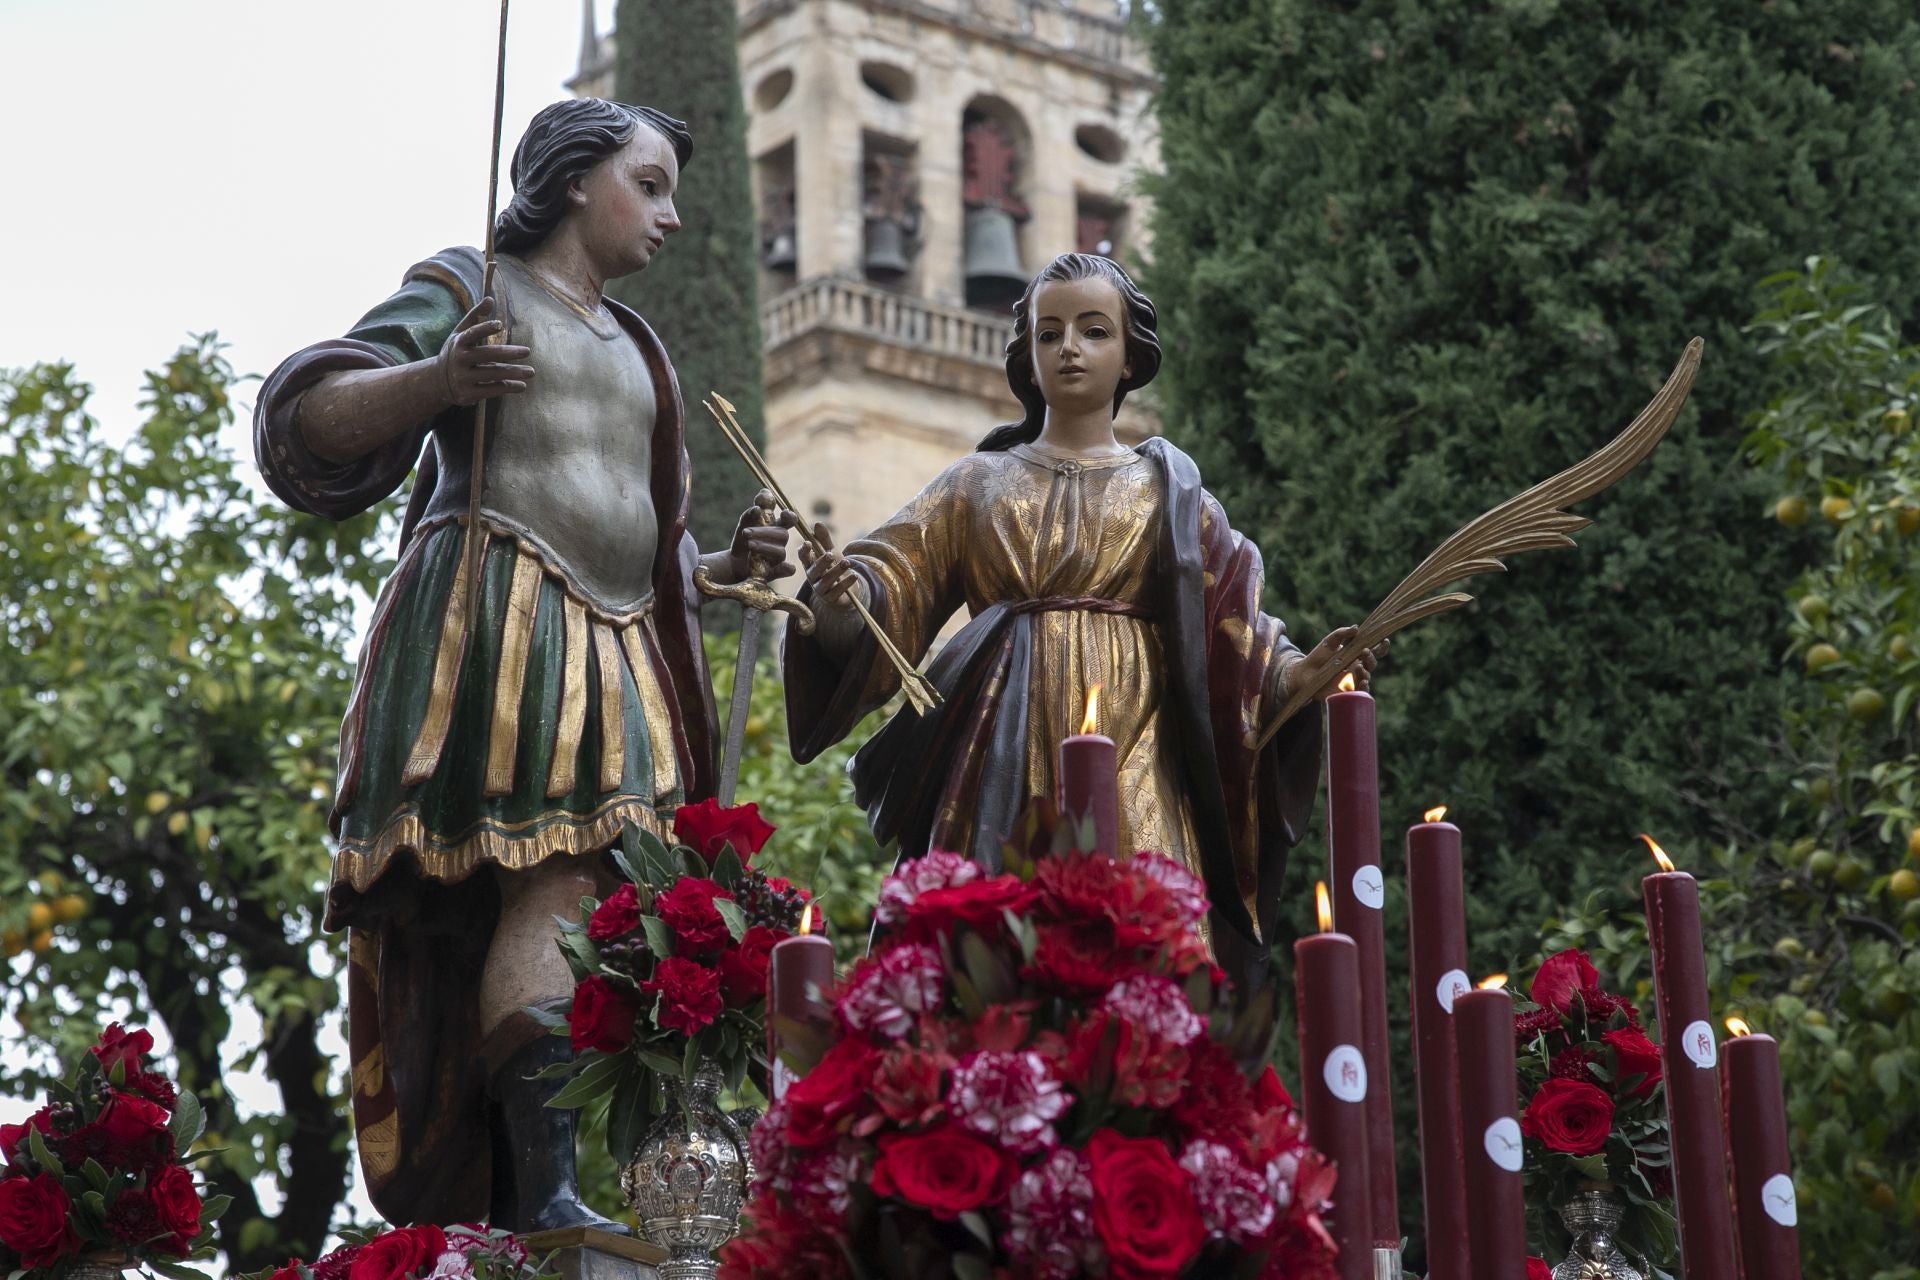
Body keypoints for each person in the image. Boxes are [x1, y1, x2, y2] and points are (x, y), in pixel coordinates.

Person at [254, 98, 792, 1232]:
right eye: (649, 184)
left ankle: (554, 1188)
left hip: (620, 641)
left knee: (603, 909)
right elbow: (313, 417)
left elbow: (633, 527)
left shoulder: (640, 347)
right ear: (572, 179)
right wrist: (439, 380)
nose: (672, 216)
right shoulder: (473, 287)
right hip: (499, 622)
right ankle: (544, 1197)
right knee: (554, 891)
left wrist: (715, 567)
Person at [783, 252, 1382, 994]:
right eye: (1050, 333)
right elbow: (894, 580)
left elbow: (1234, 632)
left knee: (1147, 941)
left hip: (1141, 746)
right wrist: (846, 602)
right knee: (994, 949)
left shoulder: (1172, 494)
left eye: (1094, 331)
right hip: (999, 748)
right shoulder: (976, 483)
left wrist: (1295, 674)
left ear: (1130, 356)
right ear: (1028, 357)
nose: (1069, 347)